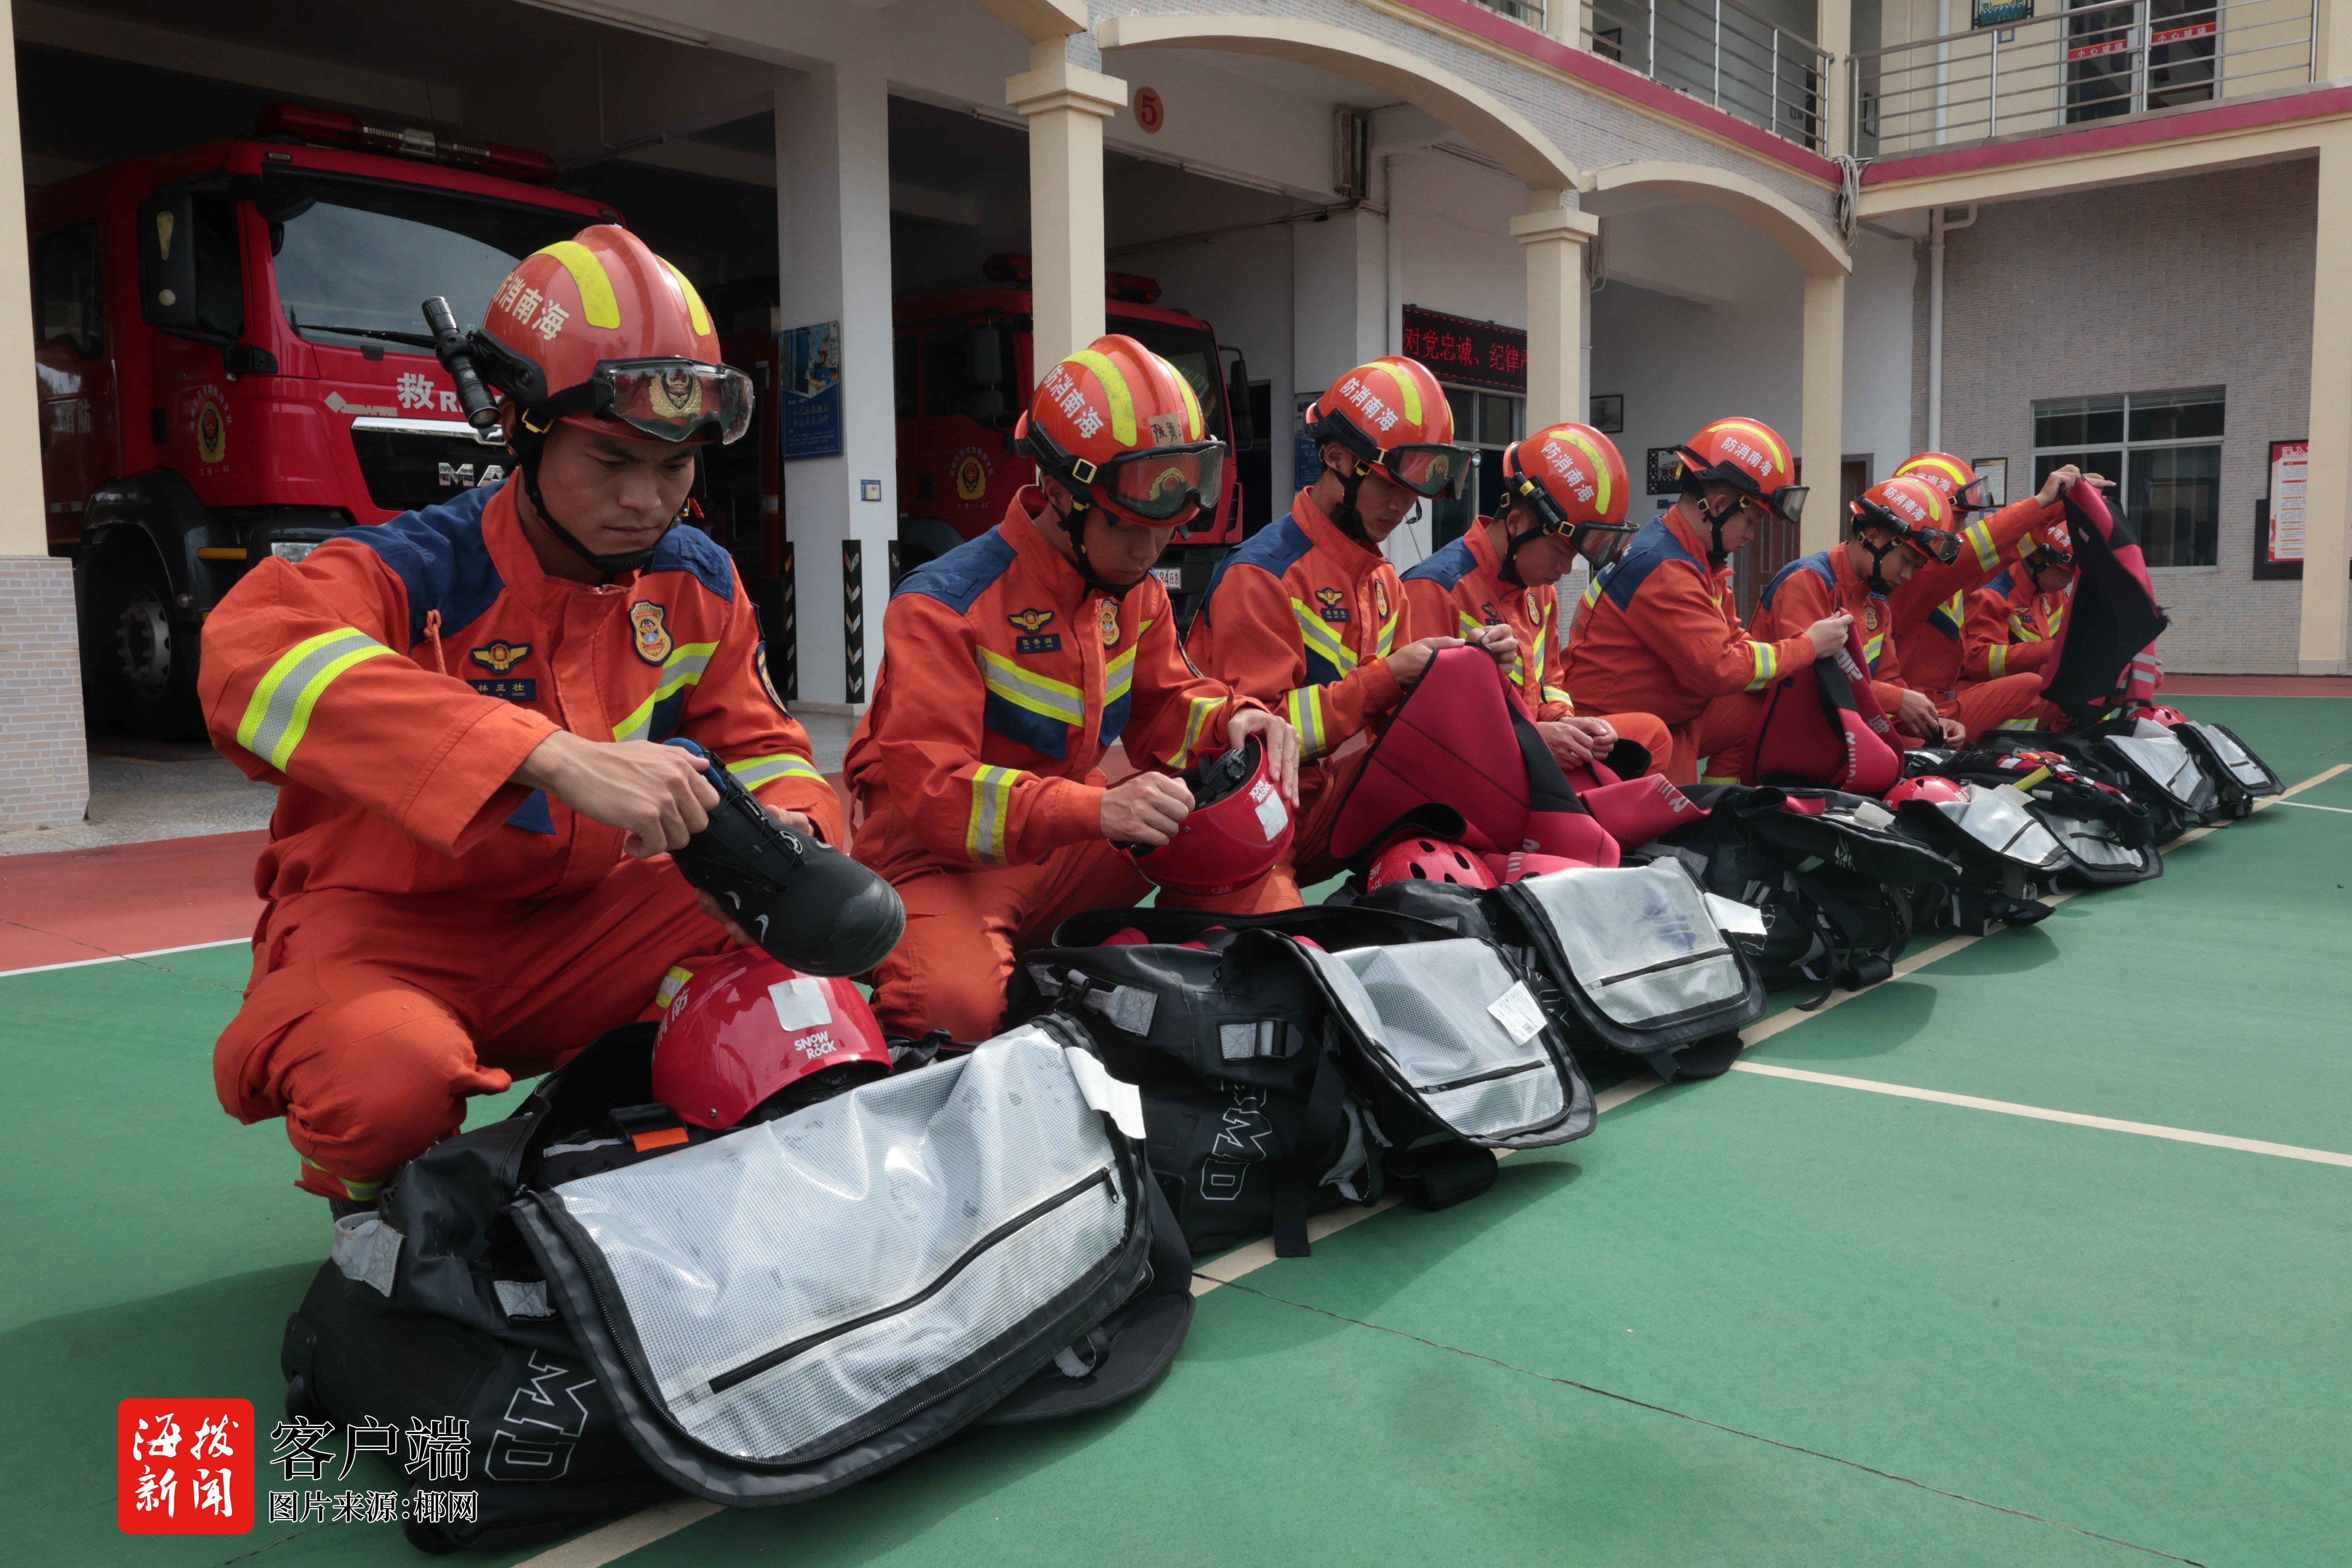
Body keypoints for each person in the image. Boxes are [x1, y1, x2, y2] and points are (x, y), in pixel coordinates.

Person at [200, 226, 840, 1211]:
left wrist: (787, 829)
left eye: (677, 466)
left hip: (587, 926)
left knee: (795, 927)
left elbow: (758, 744)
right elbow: (245, 658)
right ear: (520, 428)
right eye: (611, 459)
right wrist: (545, 753)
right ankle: (373, 1229)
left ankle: (635, 1156)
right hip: (388, 934)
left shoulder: (695, 580)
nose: (647, 500)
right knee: (384, 1082)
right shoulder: (412, 569)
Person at [843, 336, 1298, 1039]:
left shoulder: (1132, 588)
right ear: (1059, 492)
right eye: (1127, 529)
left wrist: (1235, 719)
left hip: (1069, 837)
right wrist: (1097, 811)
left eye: (1168, 529)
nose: (1151, 553)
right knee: (953, 1010)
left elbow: (1167, 702)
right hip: (939, 861)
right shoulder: (942, 608)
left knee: (1249, 872)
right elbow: (940, 797)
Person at [1180, 356, 1513, 911]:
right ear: (1334, 458)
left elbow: (1406, 721)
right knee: (1291, 959)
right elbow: (1256, 747)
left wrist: (1466, 668)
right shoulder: (1260, 575)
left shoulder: (1382, 579)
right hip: (1246, 816)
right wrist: (1390, 677)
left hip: (1323, 804)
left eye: (1413, 491)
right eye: (1388, 484)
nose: (1402, 505)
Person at [1558, 416, 1850, 784]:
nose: (1752, 535)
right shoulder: (1667, 567)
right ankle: (1703, 818)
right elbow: (1720, 668)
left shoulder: (1696, 559)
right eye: (1752, 520)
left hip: (1674, 715)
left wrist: (1789, 657)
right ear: (1719, 506)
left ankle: (1722, 806)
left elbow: (1736, 643)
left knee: (1764, 707)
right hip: (1623, 728)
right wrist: (1809, 646)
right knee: (1668, 828)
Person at [1399, 421, 1672, 775]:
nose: (1566, 567)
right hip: (1473, 772)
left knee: (1654, 735)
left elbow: (1550, 685)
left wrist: (1568, 723)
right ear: (1515, 523)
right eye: (1560, 550)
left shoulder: (1539, 589)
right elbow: (1425, 729)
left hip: (1529, 752)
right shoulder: (1435, 589)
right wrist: (1533, 739)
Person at [1753, 476, 2058, 747]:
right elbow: (1808, 684)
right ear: (1873, 537)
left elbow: (1889, 679)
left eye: (1918, 566)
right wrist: (1900, 702)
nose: (1909, 576)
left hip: (1848, 726)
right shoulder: (1810, 581)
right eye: (1907, 561)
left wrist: (1932, 724)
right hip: (1798, 735)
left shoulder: (1876, 598)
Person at [1883, 453, 2106, 715]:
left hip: (1937, 706)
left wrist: (2068, 505)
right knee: (2032, 687)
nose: (1963, 530)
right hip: (1912, 714)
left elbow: (2007, 548)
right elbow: (1981, 549)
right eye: (1958, 519)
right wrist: (2045, 503)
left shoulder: (1939, 576)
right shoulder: (1911, 578)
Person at [1962, 517, 2076, 685]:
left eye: (2074, 572)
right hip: (1991, 697)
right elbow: (1980, 663)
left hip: (2037, 695)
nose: (2069, 579)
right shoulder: (1991, 594)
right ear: (2034, 555)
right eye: (2062, 570)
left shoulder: (2054, 592)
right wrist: (2054, 649)